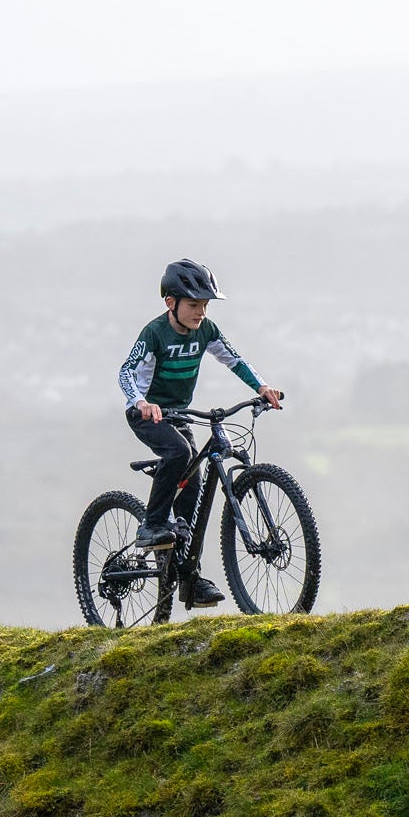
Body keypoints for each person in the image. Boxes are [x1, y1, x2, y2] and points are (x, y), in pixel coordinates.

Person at [118, 260, 283, 608]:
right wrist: (141, 402)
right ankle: (150, 525)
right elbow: (126, 373)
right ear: (170, 303)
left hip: (178, 416)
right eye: (194, 305)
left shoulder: (205, 330)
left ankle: (189, 579)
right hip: (147, 415)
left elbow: (234, 360)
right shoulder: (154, 333)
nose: (200, 312)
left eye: (205, 305)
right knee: (178, 453)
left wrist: (263, 386)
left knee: (191, 495)